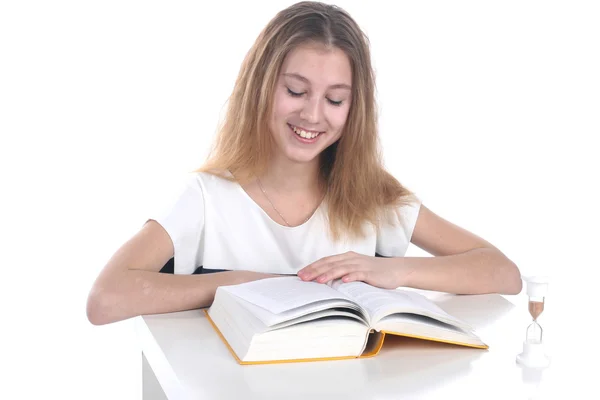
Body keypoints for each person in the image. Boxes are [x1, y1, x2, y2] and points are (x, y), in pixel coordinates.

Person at [86, 1, 522, 326]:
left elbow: (503, 272)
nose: (313, 115)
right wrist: (238, 285)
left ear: (355, 108)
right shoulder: (207, 197)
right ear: (261, 87)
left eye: (335, 99)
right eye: (295, 91)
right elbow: (106, 299)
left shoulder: (372, 195)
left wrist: (392, 270)